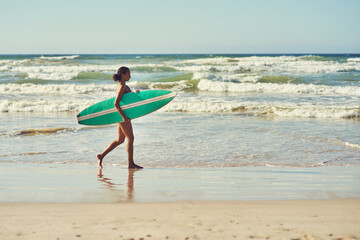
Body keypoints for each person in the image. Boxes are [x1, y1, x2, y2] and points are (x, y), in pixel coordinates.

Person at [97, 67, 143, 169]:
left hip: (121, 116)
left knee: (120, 140)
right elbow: (116, 103)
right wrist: (124, 117)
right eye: (128, 74)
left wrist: (135, 93)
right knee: (130, 138)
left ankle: (101, 155)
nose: (130, 76)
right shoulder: (122, 87)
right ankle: (131, 164)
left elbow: (128, 100)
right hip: (122, 116)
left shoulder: (124, 86)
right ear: (122, 75)